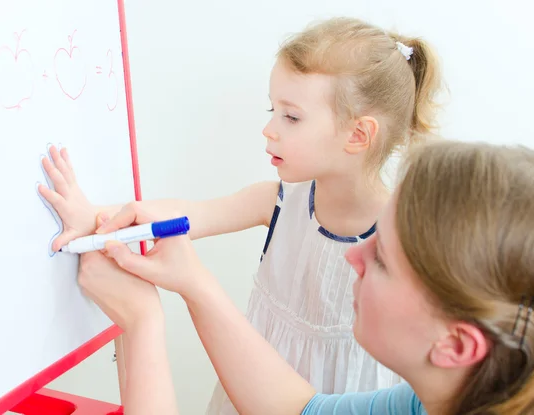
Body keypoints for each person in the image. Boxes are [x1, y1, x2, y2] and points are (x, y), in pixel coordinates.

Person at [37, 16, 443, 413]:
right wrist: (91, 215)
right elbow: (187, 215)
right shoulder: (280, 202)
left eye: (292, 116)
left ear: (358, 135)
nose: (269, 129)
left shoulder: (405, 241)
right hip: (249, 392)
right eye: (273, 110)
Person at [79, 139, 534, 414]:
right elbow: (299, 409)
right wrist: (194, 285)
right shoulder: (434, 399)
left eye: (382, 260)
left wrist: (142, 324)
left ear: (457, 346)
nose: (353, 257)